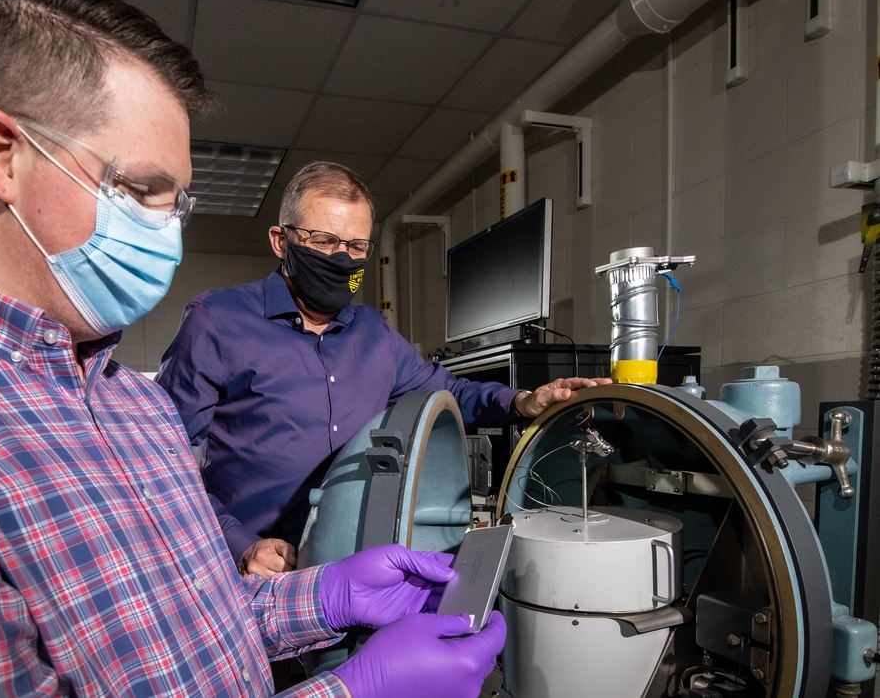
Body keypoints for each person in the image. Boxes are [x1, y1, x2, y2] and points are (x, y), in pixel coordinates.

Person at [0, 0, 506, 696]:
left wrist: (326, 594)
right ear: (2, 153)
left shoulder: (130, 403)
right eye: (140, 191)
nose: (168, 227)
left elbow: (194, 632)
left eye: (178, 200)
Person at [157, 161, 609, 578]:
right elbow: (161, 463)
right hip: (254, 573)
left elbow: (449, 393)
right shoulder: (218, 321)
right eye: (324, 241)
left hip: (352, 567)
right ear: (281, 241)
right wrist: (239, 545)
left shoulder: (373, 334)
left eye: (355, 246)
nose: (341, 258)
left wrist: (522, 401)